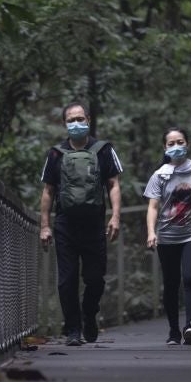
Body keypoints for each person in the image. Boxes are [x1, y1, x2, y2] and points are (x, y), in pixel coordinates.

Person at [39, 102, 122, 346]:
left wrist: (115, 216)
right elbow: (48, 191)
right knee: (66, 280)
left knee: (95, 279)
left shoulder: (103, 150)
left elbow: (113, 184)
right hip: (65, 224)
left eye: (80, 118)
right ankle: (73, 329)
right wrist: (45, 225)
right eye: (70, 120)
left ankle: (89, 314)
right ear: (64, 124)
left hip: (95, 224)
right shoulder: (55, 153)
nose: (76, 123)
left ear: (88, 119)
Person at [144, 127, 191, 345]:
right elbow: (153, 207)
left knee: (190, 277)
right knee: (171, 282)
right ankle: (173, 331)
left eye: (180, 142)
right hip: (167, 236)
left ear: (188, 144)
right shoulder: (159, 175)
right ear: (165, 148)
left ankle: (190, 326)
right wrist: (150, 232)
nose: (176, 147)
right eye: (171, 143)